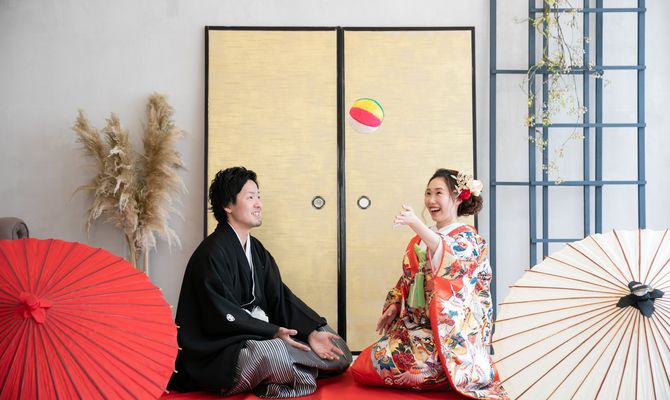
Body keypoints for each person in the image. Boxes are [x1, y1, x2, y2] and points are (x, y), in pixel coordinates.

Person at [169, 166, 351, 398]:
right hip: (222, 353)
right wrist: (272, 331)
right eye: (250, 197)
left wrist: (310, 331)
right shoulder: (211, 253)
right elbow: (220, 317)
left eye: (258, 196)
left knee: (338, 349)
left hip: (259, 336)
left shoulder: (256, 250)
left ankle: (292, 368)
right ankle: (291, 366)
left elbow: (280, 298)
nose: (259, 204)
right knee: (275, 352)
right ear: (227, 205)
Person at [350, 168, 508, 399]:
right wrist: (394, 305)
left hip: (448, 339)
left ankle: (446, 373)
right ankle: (431, 373)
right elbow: (406, 278)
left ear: (458, 197)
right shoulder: (421, 238)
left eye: (438, 193)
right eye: (428, 193)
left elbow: (451, 260)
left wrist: (416, 223)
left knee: (401, 369)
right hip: (415, 330)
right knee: (366, 365)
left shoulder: (468, 239)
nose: (431, 200)